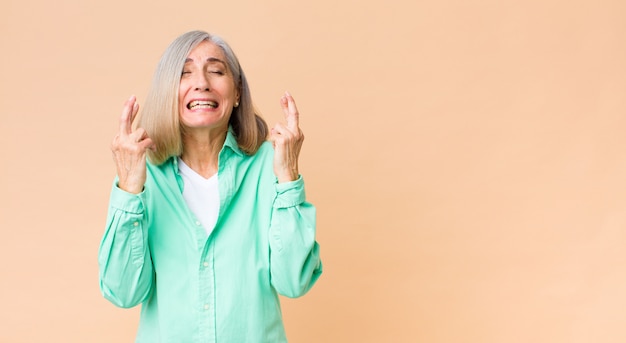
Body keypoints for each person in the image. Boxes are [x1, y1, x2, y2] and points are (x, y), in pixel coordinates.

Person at [98, 30, 322, 342]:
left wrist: (288, 177)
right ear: (168, 92)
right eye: (185, 73)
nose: (202, 82)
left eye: (216, 71)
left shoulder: (270, 166)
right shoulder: (142, 175)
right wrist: (129, 189)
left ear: (238, 92)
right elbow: (123, 292)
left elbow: (294, 282)